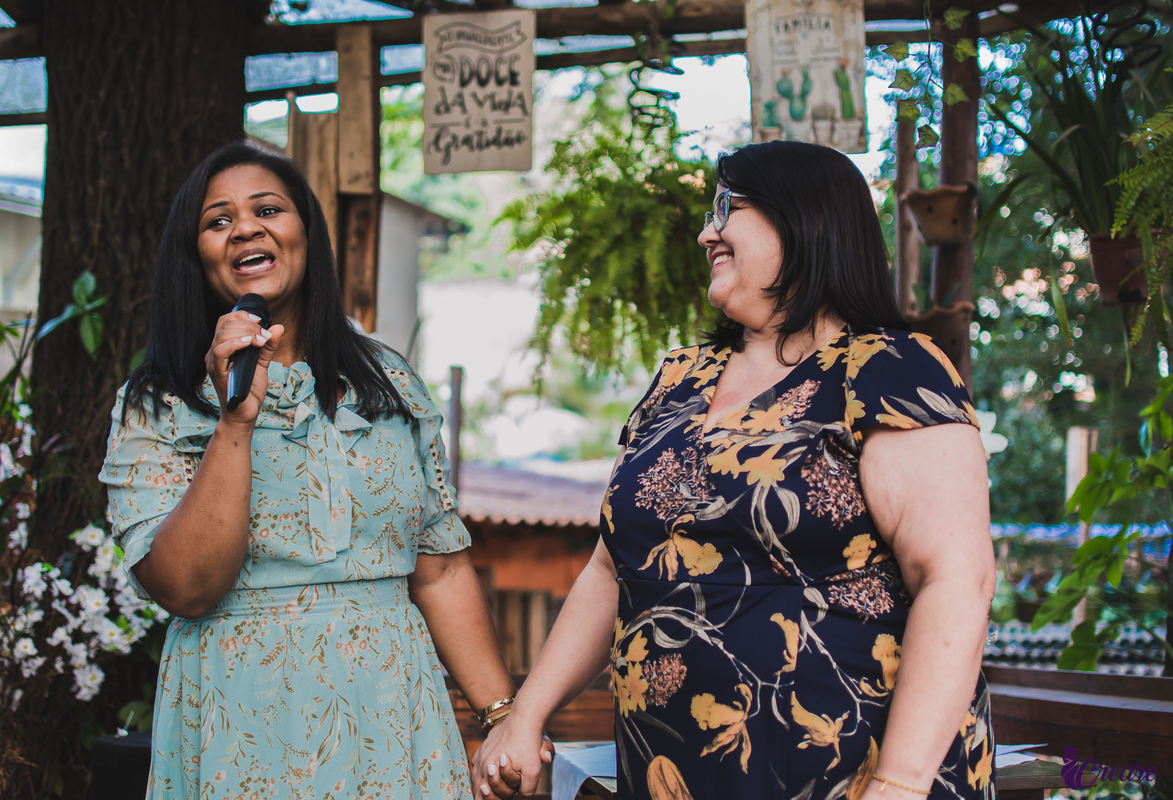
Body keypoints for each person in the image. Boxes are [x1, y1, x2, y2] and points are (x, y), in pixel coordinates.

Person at [473, 140, 997, 800]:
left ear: (805, 218)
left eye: (726, 207)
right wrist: (526, 715)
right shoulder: (678, 380)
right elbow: (613, 569)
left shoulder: (890, 368)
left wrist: (900, 782)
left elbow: (956, 579)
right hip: (675, 771)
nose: (704, 232)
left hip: (849, 775)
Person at [99, 142, 542, 798]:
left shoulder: (388, 382)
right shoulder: (159, 402)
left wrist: (505, 721)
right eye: (218, 221)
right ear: (195, 258)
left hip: (394, 724)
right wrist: (235, 423)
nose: (245, 227)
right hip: (240, 730)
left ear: (306, 231)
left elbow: (441, 568)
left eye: (268, 209)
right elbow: (186, 587)